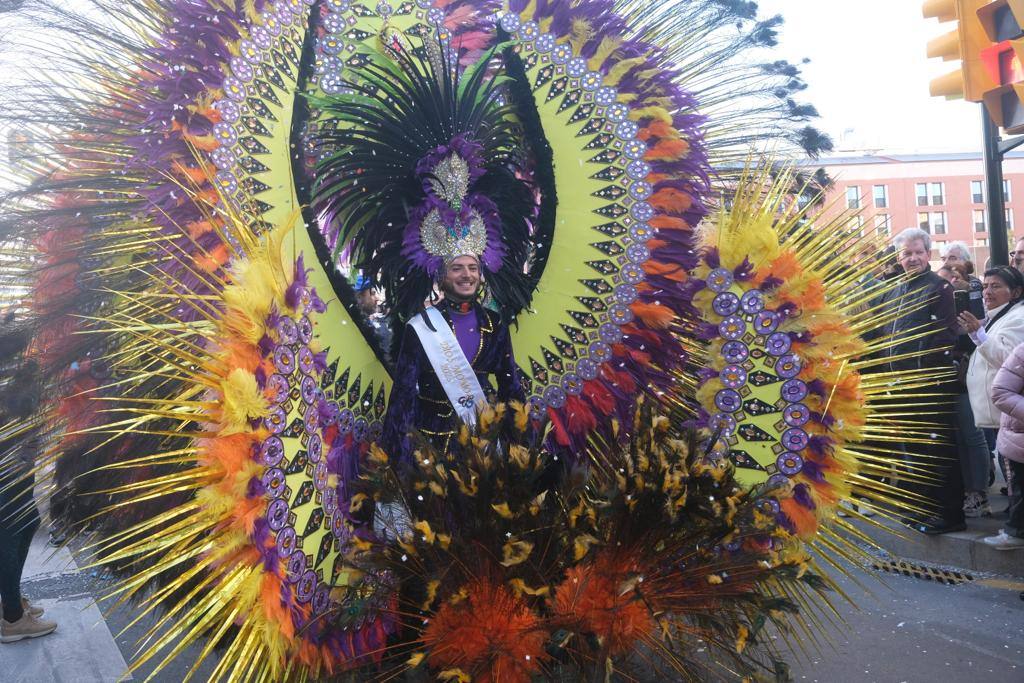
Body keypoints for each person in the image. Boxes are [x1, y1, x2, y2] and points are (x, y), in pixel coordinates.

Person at [381, 254, 525, 467]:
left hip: (483, 443)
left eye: (473, 268)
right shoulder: (423, 326)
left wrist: (521, 445)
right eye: (457, 268)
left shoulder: (495, 325)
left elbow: (510, 386)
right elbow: (403, 395)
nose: (467, 275)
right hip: (430, 444)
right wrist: (396, 459)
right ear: (440, 275)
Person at [874, 227, 964, 534]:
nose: (912, 258)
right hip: (896, 384)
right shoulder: (891, 289)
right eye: (906, 253)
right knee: (909, 448)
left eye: (917, 252)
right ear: (899, 257)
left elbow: (944, 336)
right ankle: (922, 508)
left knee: (937, 449)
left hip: (927, 384)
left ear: (928, 254)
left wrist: (921, 372)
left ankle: (950, 514)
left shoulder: (939, 288)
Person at [960, 266, 1024, 517]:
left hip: (1007, 410)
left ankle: (1016, 522)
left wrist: (978, 333)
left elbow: (1009, 359)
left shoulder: (1018, 317)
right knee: (1007, 464)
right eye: (985, 286)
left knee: (1011, 466)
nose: (987, 292)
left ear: (1015, 291)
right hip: (998, 411)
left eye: (995, 286)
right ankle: (1015, 516)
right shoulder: (997, 315)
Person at [0, 358, 57, 643]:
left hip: (16, 453)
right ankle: (11, 618)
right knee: (12, 527)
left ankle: (9, 601)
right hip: (7, 454)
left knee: (25, 522)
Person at [983, 339, 1024, 549]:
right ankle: (1015, 533)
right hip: (1019, 441)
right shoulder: (1022, 352)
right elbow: (1000, 392)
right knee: (1019, 491)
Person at [941, 241, 985, 318]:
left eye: (952, 258)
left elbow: (978, 317)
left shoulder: (974, 284)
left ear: (965, 261)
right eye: (943, 259)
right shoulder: (939, 283)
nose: (945, 263)